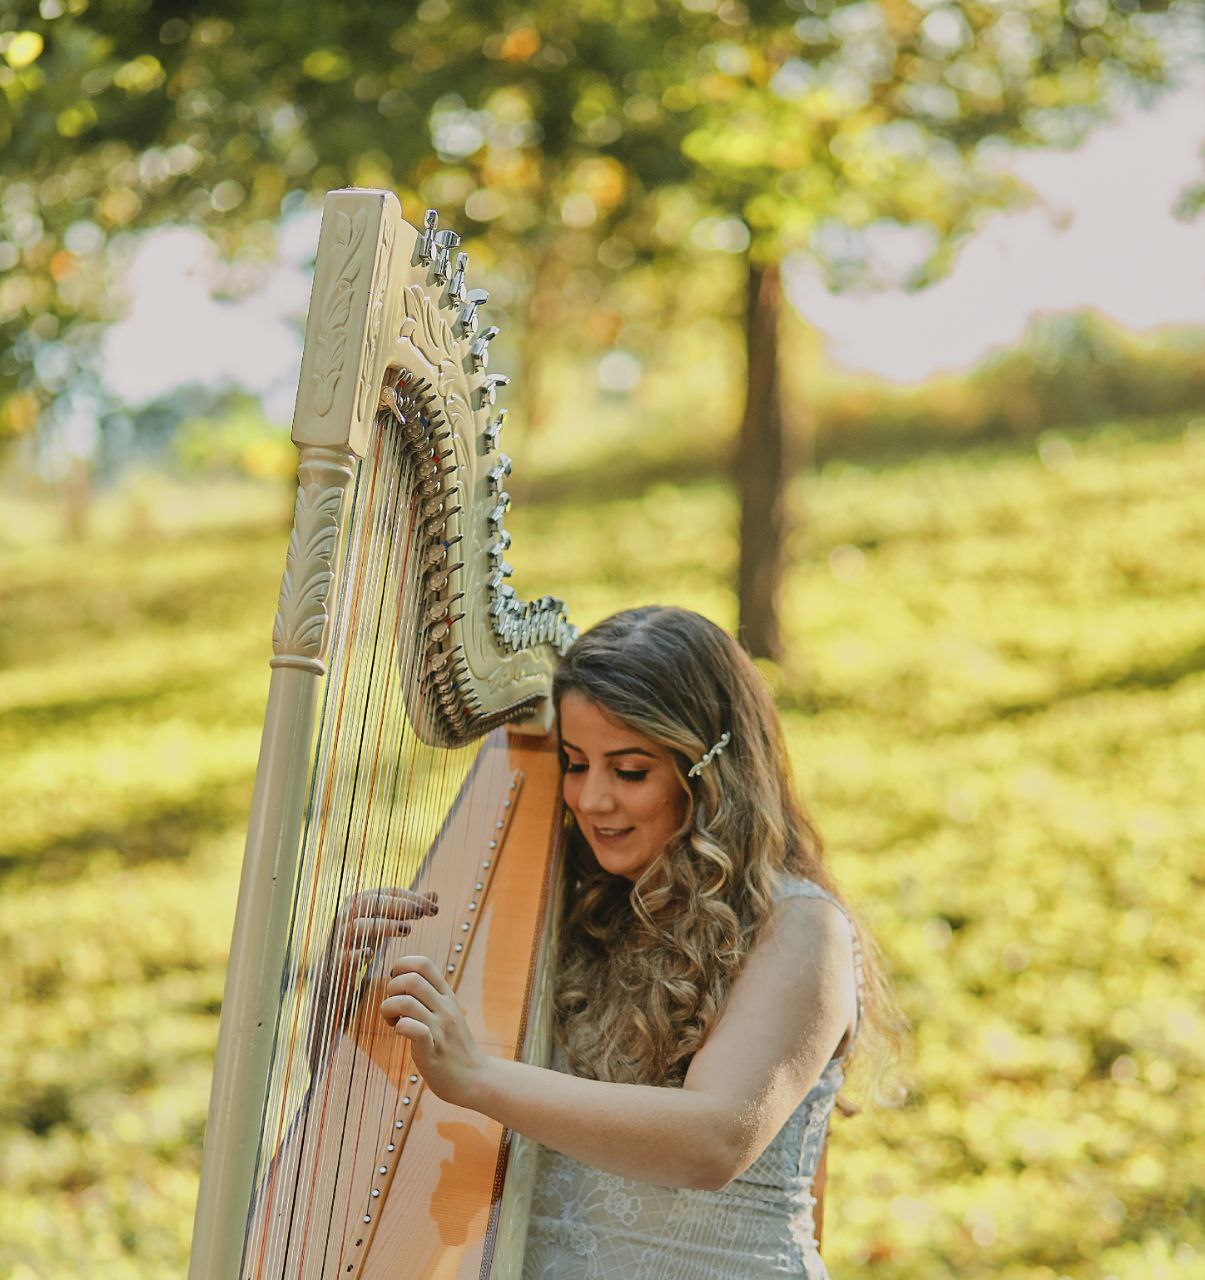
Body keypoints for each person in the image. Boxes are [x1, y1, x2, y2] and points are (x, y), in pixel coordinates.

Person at [375, 606, 901, 1278]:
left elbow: (713, 1141)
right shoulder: (551, 908)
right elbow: (411, 1105)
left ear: (710, 774)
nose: (592, 800)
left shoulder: (800, 928)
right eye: (574, 763)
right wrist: (364, 988)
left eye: (629, 772)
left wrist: (479, 1077)